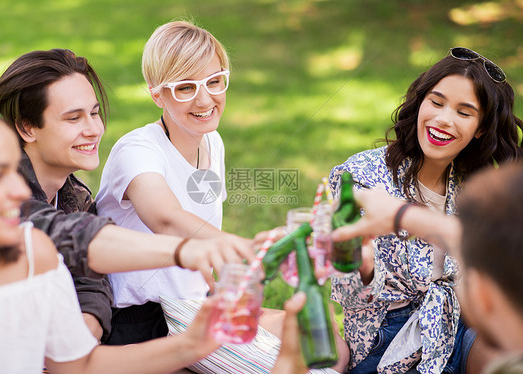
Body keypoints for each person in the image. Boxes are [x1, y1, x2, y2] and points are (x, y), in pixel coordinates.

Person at [0, 97, 321, 374]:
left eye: (14, 171)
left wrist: (195, 343)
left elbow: (80, 367)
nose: (16, 189)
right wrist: (185, 250)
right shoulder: (136, 154)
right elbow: (83, 235)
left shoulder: (36, 253)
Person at [0, 48, 256, 342]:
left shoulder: (74, 196)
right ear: (27, 127)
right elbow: (74, 237)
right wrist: (187, 251)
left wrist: (84, 331)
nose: (94, 129)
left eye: (94, 113)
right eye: (73, 119)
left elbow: (91, 282)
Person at [328, 47, 523, 373]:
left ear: (480, 128)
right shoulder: (361, 174)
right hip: (390, 336)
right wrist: (362, 265)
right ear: (420, 104)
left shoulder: (474, 189)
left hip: (461, 324)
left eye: (464, 112)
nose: (443, 119)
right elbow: (348, 295)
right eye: (436, 102)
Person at [95, 20, 286, 344]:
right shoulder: (137, 150)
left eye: (214, 82)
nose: (204, 100)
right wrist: (240, 248)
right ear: (157, 93)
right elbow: (166, 218)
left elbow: (200, 231)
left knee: (321, 341)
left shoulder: (212, 142)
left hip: (197, 306)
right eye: (186, 87)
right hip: (142, 319)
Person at [330, 162, 523, 374]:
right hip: (389, 345)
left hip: (454, 326)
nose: (443, 125)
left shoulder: (477, 183)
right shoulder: (360, 172)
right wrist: (366, 268)